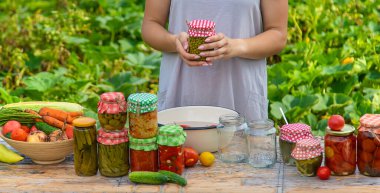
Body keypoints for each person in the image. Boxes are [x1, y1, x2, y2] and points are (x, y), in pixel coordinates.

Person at [141, 0, 288, 121]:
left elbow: (278, 34)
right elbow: (151, 24)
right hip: (181, 90)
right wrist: (174, 42)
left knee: (239, 152)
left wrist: (237, 46)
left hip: (239, 92)